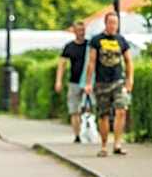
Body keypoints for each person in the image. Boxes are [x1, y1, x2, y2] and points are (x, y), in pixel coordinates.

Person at [86, 12, 134, 157]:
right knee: (104, 115)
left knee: (121, 110)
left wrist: (129, 80)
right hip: (102, 83)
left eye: (116, 23)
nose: (113, 26)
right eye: (111, 23)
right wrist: (88, 82)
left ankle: (117, 144)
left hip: (118, 81)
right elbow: (91, 62)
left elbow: (128, 61)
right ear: (106, 23)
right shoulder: (96, 40)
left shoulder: (121, 40)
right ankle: (104, 145)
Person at [55, 20, 90, 143]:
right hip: (74, 82)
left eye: (83, 30)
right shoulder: (69, 47)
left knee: (88, 109)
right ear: (74, 32)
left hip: (88, 82)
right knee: (74, 110)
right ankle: (77, 135)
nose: (82, 33)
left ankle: (87, 132)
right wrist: (58, 81)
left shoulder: (90, 46)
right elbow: (62, 64)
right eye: (79, 30)